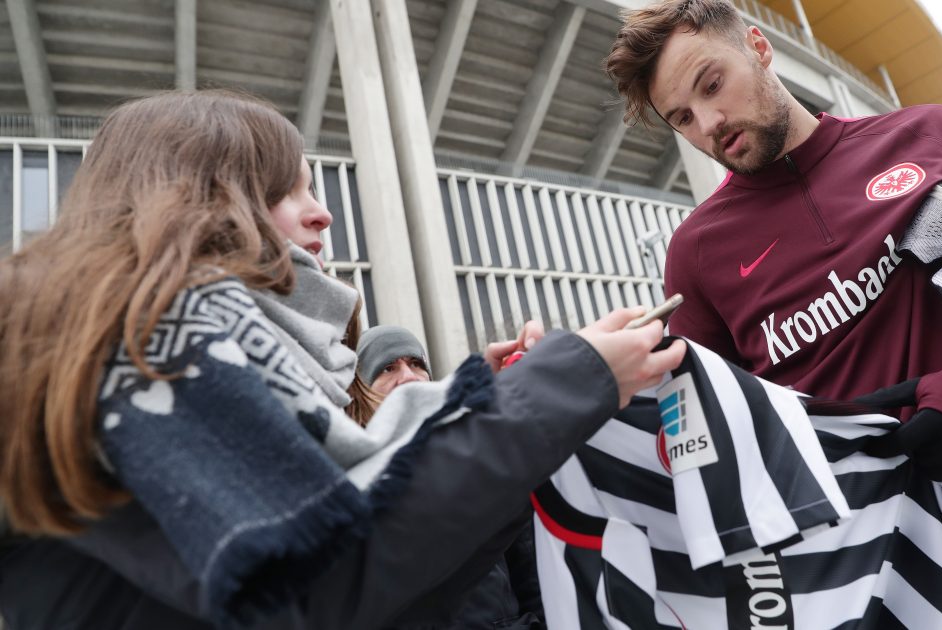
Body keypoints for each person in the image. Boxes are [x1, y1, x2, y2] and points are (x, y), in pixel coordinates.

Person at [0, 90, 686, 629]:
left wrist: (514, 403)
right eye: (287, 189)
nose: (321, 214)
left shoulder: (144, 341)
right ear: (201, 197)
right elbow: (321, 577)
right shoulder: (145, 337)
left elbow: (390, 590)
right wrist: (561, 386)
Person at [604, 2, 942, 628]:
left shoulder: (930, 135)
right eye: (682, 118)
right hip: (876, 587)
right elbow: (715, 439)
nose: (709, 123)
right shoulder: (696, 254)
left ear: (758, 45)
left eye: (712, 84)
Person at [355, 325, 544, 628]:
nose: (408, 376)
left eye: (416, 364)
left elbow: (530, 569)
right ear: (360, 391)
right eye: (388, 368)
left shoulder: (477, 457)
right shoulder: (350, 484)